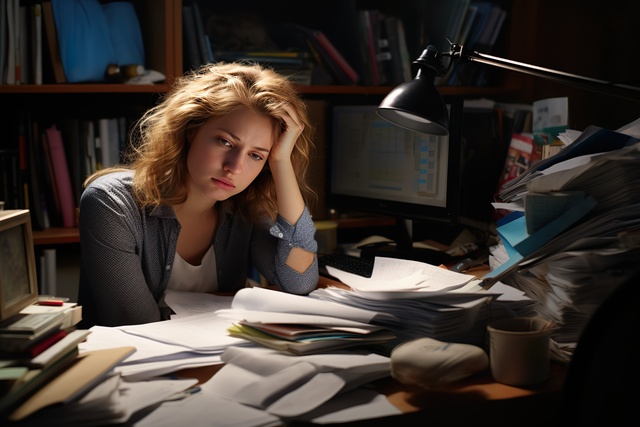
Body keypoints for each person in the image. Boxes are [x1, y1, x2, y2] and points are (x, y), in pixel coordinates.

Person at [77, 62, 319, 327]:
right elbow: (135, 324)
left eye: (256, 155)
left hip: (219, 361)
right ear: (191, 129)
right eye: (225, 141)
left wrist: (281, 162)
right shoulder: (112, 203)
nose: (234, 168)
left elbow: (299, 281)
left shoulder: (246, 209)